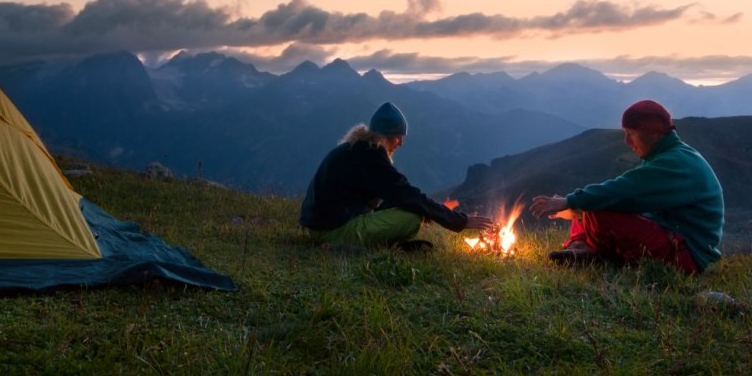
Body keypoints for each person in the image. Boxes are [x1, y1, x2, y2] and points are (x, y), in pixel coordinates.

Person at [529, 100, 724, 274]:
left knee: (597, 207)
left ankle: (593, 253)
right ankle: (581, 247)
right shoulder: (667, 156)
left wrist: (567, 201)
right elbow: (630, 199)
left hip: (685, 254)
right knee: (592, 204)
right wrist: (576, 208)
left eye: (631, 134)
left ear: (653, 133)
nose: (627, 141)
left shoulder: (675, 163)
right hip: (673, 237)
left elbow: (622, 191)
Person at [300, 101, 495, 249]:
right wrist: (459, 220)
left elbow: (395, 194)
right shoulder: (371, 157)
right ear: (385, 136)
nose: (400, 143)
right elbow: (406, 193)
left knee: (408, 206)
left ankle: (388, 245)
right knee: (411, 218)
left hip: (321, 224)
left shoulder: (358, 149)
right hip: (332, 231)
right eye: (398, 137)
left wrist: (429, 210)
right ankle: (369, 246)